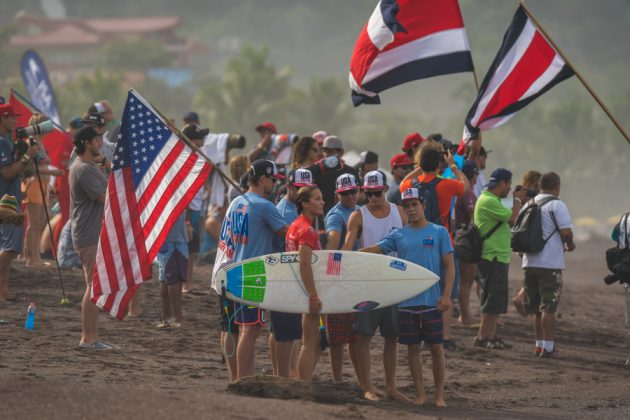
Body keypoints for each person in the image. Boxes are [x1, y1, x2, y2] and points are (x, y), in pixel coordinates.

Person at [361, 188, 454, 406]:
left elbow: (449, 267)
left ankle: (439, 395)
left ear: (423, 205)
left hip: (432, 301)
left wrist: (447, 295)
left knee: (436, 349)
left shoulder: (439, 232)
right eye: (406, 206)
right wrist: (346, 256)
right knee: (413, 350)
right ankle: (421, 394)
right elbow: (376, 249)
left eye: (415, 204)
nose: (411, 209)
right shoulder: (398, 235)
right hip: (407, 303)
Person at [211, 159, 288, 381]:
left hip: (226, 270)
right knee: (250, 330)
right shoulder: (264, 205)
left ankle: (235, 377)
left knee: (230, 328)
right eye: (273, 180)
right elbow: (289, 233)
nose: (274, 184)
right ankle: (244, 379)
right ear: (263, 179)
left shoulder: (237, 201)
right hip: (251, 274)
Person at [343, 170, 407, 401]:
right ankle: (367, 386)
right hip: (367, 283)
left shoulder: (400, 213)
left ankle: (391, 387)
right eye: (368, 194)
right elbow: (346, 251)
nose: (372, 198)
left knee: (392, 337)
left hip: (394, 283)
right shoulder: (358, 216)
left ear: (386, 189)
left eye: (377, 193)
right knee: (364, 336)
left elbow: (409, 245)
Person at [400, 142, 469, 350]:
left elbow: (403, 181)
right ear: (439, 165)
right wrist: (453, 166)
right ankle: (444, 336)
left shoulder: (411, 187)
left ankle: (418, 332)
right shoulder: (446, 185)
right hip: (442, 239)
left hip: (417, 242)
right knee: (445, 290)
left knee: (420, 287)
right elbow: (465, 186)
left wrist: (420, 166)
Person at [521, 172, 575, 358]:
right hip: (549, 263)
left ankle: (539, 345)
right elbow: (566, 233)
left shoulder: (528, 204)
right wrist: (570, 245)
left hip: (529, 262)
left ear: (539, 186)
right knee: (549, 307)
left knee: (536, 308)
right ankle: (549, 348)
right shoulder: (557, 205)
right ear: (557, 187)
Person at [473, 168, 527, 349]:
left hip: (498, 256)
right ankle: (482, 337)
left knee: (495, 300)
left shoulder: (492, 200)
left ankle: (491, 335)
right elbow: (513, 219)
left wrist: (516, 200)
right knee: (491, 300)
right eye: (509, 185)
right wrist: (518, 199)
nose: (509, 189)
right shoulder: (488, 200)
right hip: (492, 256)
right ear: (502, 183)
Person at [270, 168, 316, 378]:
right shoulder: (288, 212)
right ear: (288, 186)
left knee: (285, 332)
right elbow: (303, 262)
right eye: (298, 189)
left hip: (287, 273)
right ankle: (284, 373)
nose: (301, 193)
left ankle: (284, 372)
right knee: (285, 332)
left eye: (305, 189)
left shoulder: (296, 216)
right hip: (286, 274)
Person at [69, 126, 111, 349]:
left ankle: (93, 336)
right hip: (88, 233)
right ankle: (88, 339)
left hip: (94, 232)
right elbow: (104, 198)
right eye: (96, 140)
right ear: (86, 143)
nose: (100, 144)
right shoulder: (83, 169)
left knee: (95, 285)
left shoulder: (90, 166)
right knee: (92, 285)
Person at [0, 104, 39, 300]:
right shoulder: (1, 142)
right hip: (4, 202)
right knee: (10, 247)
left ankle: (3, 289)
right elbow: (7, 173)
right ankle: (2, 288)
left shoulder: (8, 141)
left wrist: (27, 156)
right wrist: (26, 156)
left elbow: (22, 171)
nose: (14, 121)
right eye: (10, 117)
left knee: (9, 247)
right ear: (2, 119)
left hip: (10, 197)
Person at [286, 186, 325, 380]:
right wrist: (313, 295)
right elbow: (304, 264)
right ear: (305, 204)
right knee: (310, 342)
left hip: (298, 287)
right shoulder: (308, 230)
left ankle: (302, 379)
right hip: (307, 289)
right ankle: (304, 382)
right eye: (317, 199)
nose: (322, 202)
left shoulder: (294, 225)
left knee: (310, 341)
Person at [325, 173, 360, 383]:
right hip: (339, 276)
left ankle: (361, 379)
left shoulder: (360, 211)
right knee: (337, 338)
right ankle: (337, 380)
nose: (350, 196)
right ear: (338, 193)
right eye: (345, 193)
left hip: (357, 275)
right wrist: (332, 277)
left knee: (356, 336)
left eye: (353, 191)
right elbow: (331, 246)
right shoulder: (335, 215)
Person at [21, 113, 64, 267]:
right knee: (33, 223)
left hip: (43, 185)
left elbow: (42, 166)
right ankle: (30, 258)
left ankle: (36, 256)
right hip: (34, 185)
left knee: (39, 223)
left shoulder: (41, 144)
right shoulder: (31, 143)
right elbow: (31, 167)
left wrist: (50, 183)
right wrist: (52, 173)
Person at [511, 170, 542, 316]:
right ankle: (522, 297)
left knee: (531, 272)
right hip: (530, 240)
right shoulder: (536, 198)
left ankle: (523, 297)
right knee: (537, 273)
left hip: (519, 240)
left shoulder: (521, 195)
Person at [307, 136, 358, 215]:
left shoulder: (351, 171)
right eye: (325, 151)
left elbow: (361, 194)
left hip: (345, 213)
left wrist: (347, 195)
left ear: (341, 152)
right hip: (322, 214)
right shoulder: (317, 171)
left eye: (330, 151)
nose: (327, 154)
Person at [455, 161, 479, 326]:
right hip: (467, 241)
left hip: (463, 239)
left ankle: (465, 315)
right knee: (466, 281)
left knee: (466, 281)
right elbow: (473, 217)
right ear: (473, 175)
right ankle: (465, 317)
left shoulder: (464, 192)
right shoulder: (468, 193)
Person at [156, 212, 190, 328]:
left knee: (165, 277)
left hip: (165, 235)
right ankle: (177, 316)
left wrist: (187, 222)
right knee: (174, 278)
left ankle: (167, 316)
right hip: (174, 237)